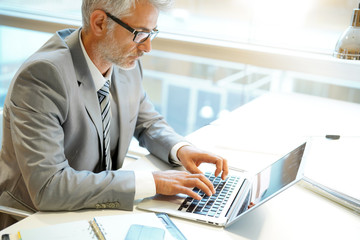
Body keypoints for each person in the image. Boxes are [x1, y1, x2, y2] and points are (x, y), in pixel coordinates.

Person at [0, 0, 228, 229]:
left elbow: (146, 121)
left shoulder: (123, 63)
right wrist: (154, 182)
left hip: (99, 212)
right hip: (35, 221)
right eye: (140, 34)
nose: (147, 47)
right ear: (99, 23)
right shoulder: (43, 76)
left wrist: (181, 149)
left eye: (152, 33)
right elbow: (50, 187)